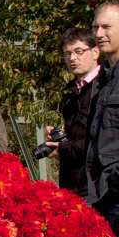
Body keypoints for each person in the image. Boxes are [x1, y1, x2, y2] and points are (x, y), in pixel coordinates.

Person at [86, 1, 119, 237]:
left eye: (106, 27)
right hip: (106, 199)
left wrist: (114, 182)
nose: (99, 34)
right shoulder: (103, 78)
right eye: (95, 27)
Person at [45, 28, 100, 198]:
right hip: (71, 182)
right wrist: (59, 137)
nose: (72, 58)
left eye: (79, 51)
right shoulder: (70, 91)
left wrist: (63, 148)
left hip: (97, 183)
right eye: (67, 53)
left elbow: (98, 140)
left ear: (95, 52)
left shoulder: (105, 87)